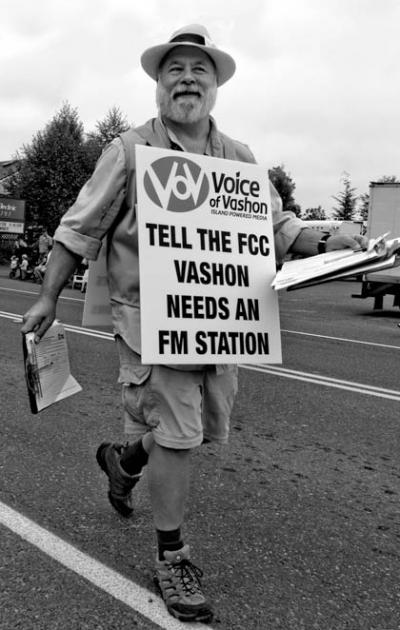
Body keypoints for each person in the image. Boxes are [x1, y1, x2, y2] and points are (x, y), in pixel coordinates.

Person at [21, 24, 366, 623]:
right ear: (159, 83)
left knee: (202, 431)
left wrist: (330, 238)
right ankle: (172, 558)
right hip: (150, 322)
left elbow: (279, 229)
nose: (187, 79)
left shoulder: (239, 158)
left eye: (198, 70)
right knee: (178, 432)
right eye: (174, 70)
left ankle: (124, 461)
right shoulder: (129, 150)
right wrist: (48, 297)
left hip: (220, 322)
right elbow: (79, 227)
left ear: (215, 85)